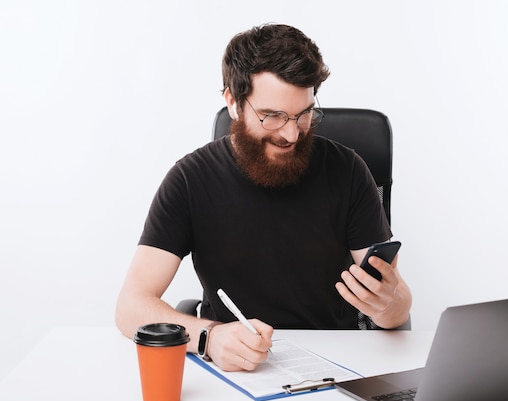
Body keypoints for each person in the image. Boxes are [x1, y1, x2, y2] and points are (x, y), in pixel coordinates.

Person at [115, 23, 412, 372]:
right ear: (233, 102)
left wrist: (391, 305)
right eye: (272, 117)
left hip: (335, 364)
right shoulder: (190, 179)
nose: (291, 134)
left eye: (304, 115)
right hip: (235, 367)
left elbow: (396, 307)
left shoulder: (348, 170)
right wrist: (210, 337)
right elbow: (130, 307)